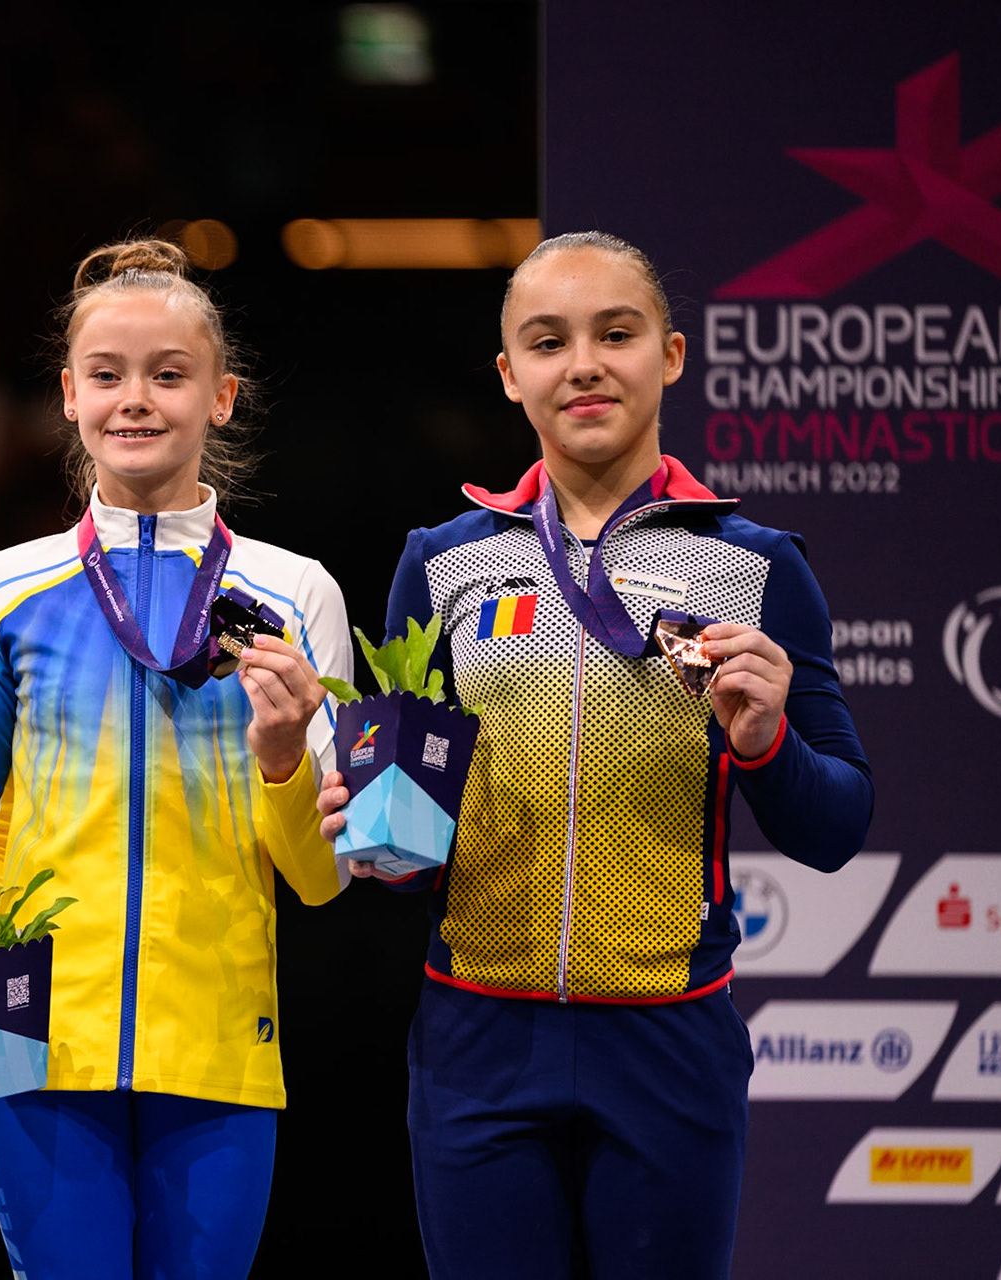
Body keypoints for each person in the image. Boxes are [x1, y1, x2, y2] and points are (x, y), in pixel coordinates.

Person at [317, 231, 873, 1279]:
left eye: (615, 333)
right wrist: (365, 825)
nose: (583, 362)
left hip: (668, 1043)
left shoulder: (755, 567)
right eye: (548, 340)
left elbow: (838, 823)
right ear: (510, 375)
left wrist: (766, 743)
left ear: (668, 354)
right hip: (478, 1036)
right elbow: (407, 844)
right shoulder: (442, 564)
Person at [0, 239, 350, 1279]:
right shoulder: (1, 592)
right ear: (68, 395)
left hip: (221, 1049)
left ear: (223, 395)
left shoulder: (296, 596)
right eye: (106, 374)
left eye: (168, 373)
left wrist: (282, 756)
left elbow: (323, 876)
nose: (135, 398)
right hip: (36, 1037)